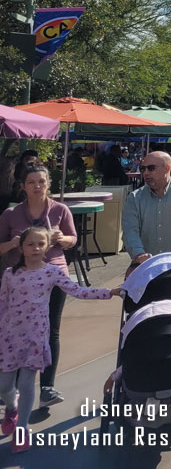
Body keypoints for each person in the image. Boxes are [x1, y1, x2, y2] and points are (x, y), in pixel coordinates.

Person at [0, 226, 120, 451]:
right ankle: (12, 407)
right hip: (9, 337)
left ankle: (22, 428)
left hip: (35, 338)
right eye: (30, 244)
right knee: (4, 385)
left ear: (47, 246)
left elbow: (78, 291)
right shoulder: (10, 274)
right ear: (21, 247)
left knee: (26, 382)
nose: (35, 248)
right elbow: (3, 304)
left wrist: (108, 292)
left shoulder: (52, 272)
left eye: (40, 244)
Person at [0, 165, 79, 408]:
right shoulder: (11, 214)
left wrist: (61, 239)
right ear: (22, 186)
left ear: (48, 184)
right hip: (20, 277)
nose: (37, 186)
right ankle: (9, 385)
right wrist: (14, 243)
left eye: (41, 182)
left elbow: (73, 239)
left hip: (52, 274)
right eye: (32, 182)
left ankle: (47, 386)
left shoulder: (60, 210)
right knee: (12, 327)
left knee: (51, 329)